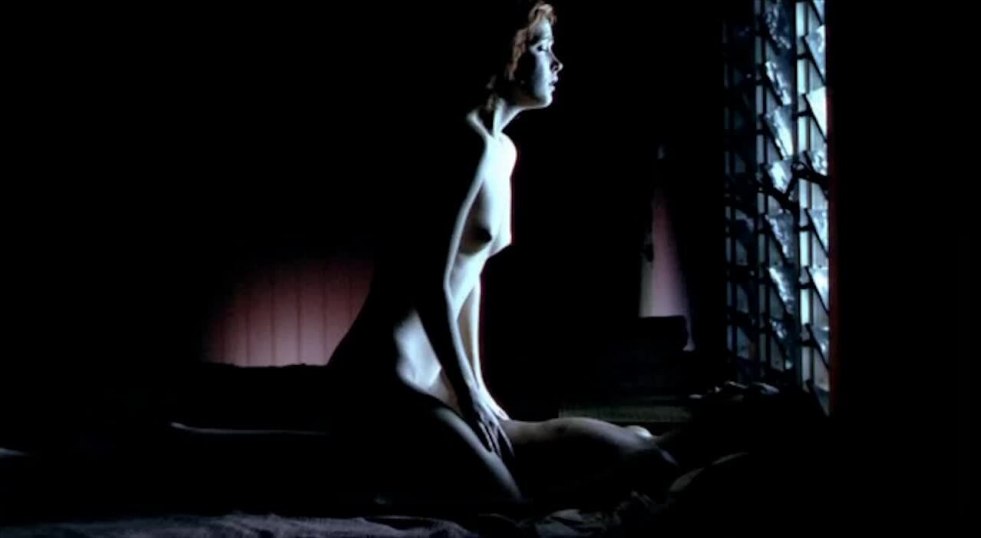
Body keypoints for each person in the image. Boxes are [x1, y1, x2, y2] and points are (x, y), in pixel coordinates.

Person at [325, 0, 678, 508]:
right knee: (507, 502)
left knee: (586, 452)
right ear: (509, 56)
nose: (557, 64)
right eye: (543, 48)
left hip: (434, 379)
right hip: (381, 378)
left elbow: (469, 279)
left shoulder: (503, 150)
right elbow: (429, 280)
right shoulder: (464, 141)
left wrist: (474, 386)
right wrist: (467, 393)